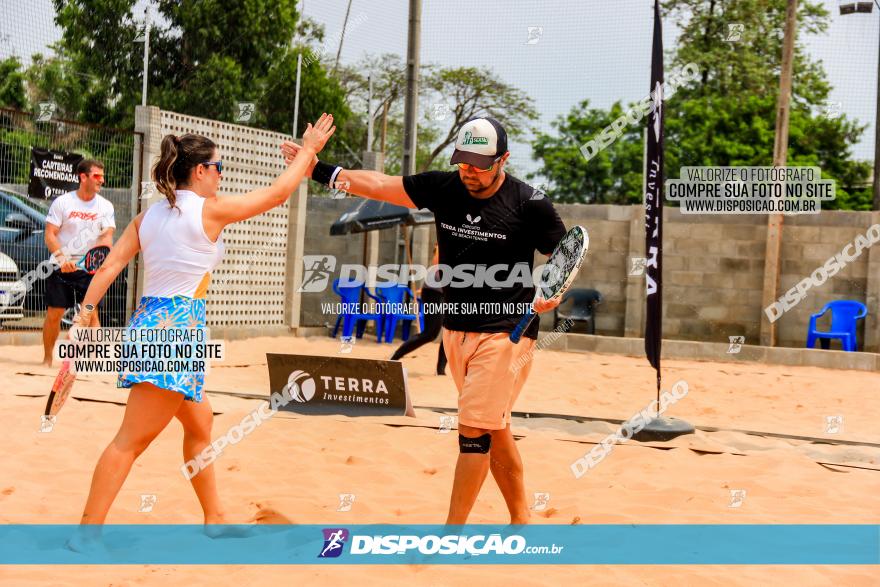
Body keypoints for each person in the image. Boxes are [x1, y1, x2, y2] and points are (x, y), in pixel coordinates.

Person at [284, 116, 566, 525]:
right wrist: (316, 168)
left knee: (472, 430)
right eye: (463, 161)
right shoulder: (444, 187)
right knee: (493, 427)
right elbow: (379, 185)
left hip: (507, 332)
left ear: (503, 159)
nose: (468, 171)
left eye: (479, 164)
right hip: (455, 330)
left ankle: (452, 534)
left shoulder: (530, 202)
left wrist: (550, 291)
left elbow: (563, 256)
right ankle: (521, 516)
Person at [69, 114, 336, 535]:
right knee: (129, 442)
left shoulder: (148, 217)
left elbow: (111, 267)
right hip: (175, 329)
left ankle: (214, 518)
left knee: (200, 423)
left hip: (156, 322)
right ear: (199, 171)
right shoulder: (209, 210)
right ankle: (85, 536)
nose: (221, 175)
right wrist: (309, 151)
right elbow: (277, 193)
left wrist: (83, 316)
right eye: (218, 168)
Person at [43, 159, 114, 366]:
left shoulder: (105, 206)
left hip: (90, 269)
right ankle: (47, 359)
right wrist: (63, 259)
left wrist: (100, 258)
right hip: (61, 266)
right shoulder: (62, 202)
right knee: (54, 313)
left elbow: (106, 236)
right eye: (97, 176)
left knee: (91, 314)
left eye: (102, 176)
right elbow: (50, 234)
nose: (102, 180)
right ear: (83, 177)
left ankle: (94, 361)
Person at [389, 243, 447, 375]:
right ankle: (395, 356)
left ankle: (441, 369)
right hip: (434, 292)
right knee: (430, 333)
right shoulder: (444, 241)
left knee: (452, 333)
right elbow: (437, 263)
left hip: (447, 294)